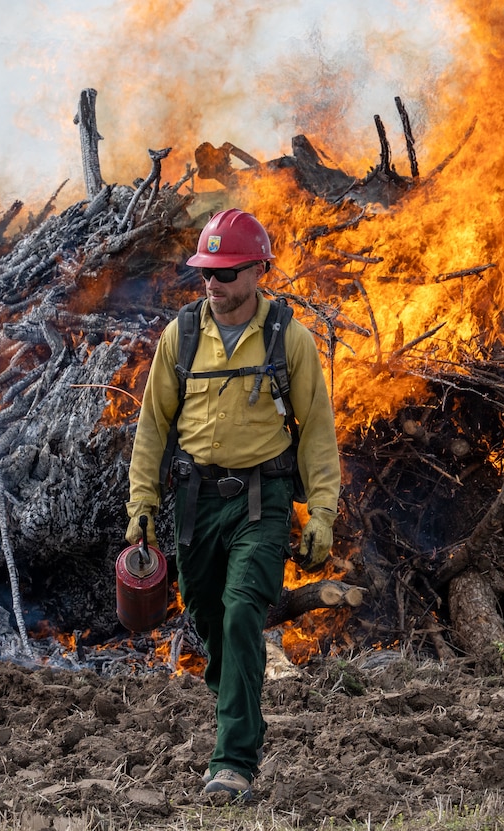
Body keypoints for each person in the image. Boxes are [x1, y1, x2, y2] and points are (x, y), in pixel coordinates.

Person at [125, 208, 341, 802]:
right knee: (209, 617)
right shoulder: (183, 335)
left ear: (258, 271)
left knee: (244, 609)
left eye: (226, 274)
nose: (213, 286)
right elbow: (152, 428)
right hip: (194, 500)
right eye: (206, 275)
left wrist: (321, 510)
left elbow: (318, 429)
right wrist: (141, 506)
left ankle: (234, 762)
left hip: (261, 500)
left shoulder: (287, 339)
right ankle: (235, 691)